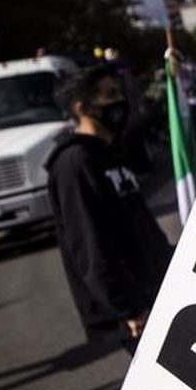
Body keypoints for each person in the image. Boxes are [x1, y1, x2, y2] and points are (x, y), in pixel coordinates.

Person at [48, 66, 173, 351]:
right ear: (83, 107)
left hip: (159, 293)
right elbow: (90, 248)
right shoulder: (75, 164)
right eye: (110, 95)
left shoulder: (109, 154)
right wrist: (129, 308)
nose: (120, 102)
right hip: (139, 313)